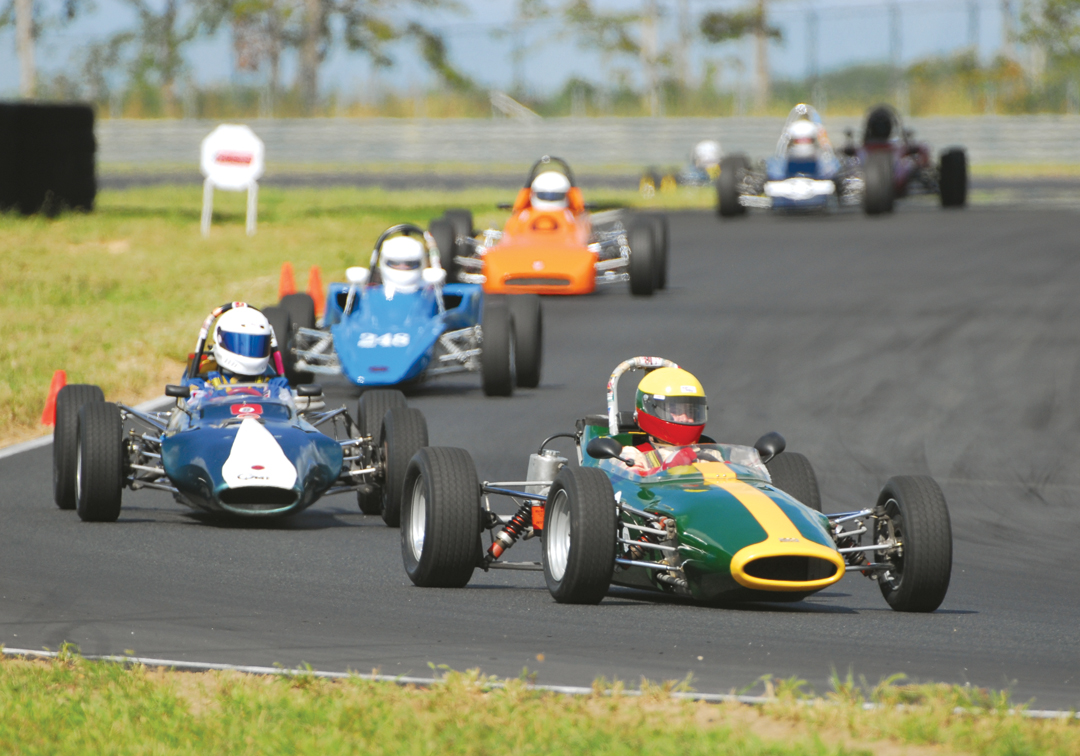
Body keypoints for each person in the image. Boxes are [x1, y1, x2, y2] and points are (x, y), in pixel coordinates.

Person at [618, 367, 723, 476]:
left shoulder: (710, 452)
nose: (685, 418)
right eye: (676, 411)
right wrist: (666, 469)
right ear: (651, 409)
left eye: (691, 411)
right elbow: (631, 483)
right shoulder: (633, 454)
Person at [194, 306, 287, 391]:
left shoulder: (274, 385)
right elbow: (191, 398)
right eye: (242, 343)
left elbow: (287, 402)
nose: (249, 350)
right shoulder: (207, 384)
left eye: (256, 344)